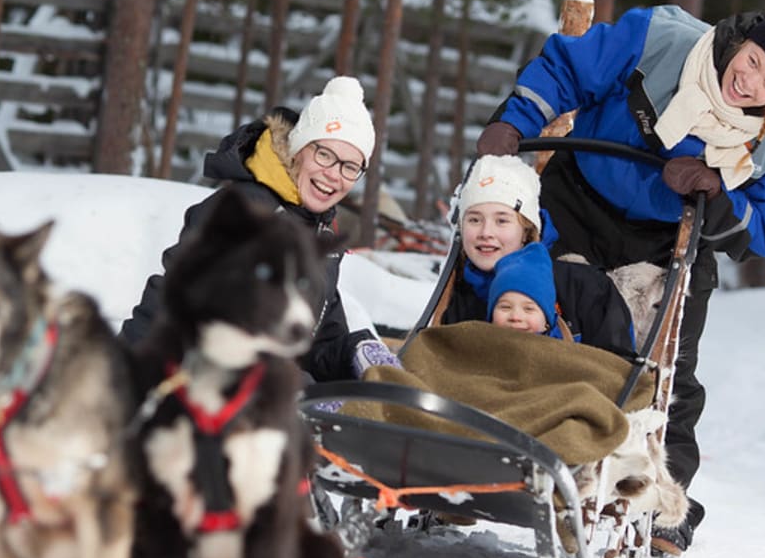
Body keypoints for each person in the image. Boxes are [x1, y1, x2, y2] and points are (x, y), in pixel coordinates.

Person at [476, 1, 765, 554]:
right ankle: (484, 429)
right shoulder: (660, 37)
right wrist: (513, 123)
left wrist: (716, 194)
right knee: (523, 306)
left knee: (668, 365)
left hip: (670, 237)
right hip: (579, 199)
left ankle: (663, 500)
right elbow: (568, 68)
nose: (746, 81)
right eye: (751, 60)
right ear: (743, 40)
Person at [121, 76, 386, 382]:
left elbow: (317, 341)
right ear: (298, 149)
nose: (333, 175)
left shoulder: (320, 233)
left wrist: (355, 351)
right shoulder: (247, 213)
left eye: (350, 166)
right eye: (324, 154)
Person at [441, 154, 637, 356]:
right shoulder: (461, 295)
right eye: (474, 220)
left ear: (527, 230)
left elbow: (617, 367)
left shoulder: (585, 288)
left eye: (502, 221)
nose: (486, 232)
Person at [487, 242, 563, 338]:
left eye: (528, 309)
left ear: (547, 321)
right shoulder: (475, 347)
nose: (515, 317)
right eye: (505, 307)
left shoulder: (564, 350)